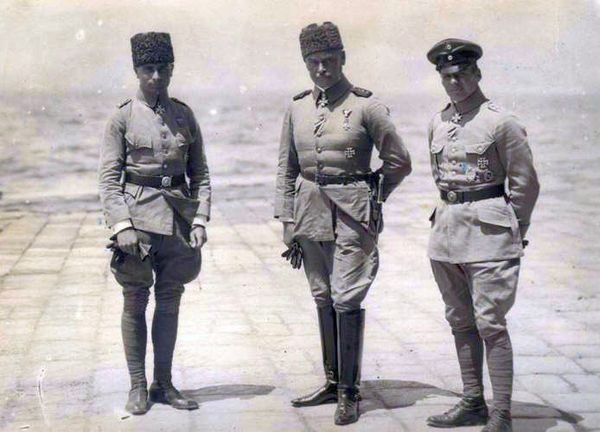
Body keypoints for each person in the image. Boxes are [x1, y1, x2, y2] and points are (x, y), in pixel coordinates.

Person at [274, 22, 412, 426]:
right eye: (314, 62)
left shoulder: (367, 106)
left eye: (329, 61)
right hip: (309, 214)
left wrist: (374, 195)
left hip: (353, 214)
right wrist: (286, 218)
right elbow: (287, 167)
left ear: (343, 59)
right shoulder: (297, 106)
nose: (322, 69)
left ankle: (350, 394)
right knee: (322, 295)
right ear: (305, 63)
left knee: (346, 296)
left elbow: (399, 161)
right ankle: (333, 382)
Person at [424, 38, 540, 432]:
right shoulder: (438, 122)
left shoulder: (501, 122)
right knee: (460, 320)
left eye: (461, 74)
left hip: (490, 236)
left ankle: (502, 414)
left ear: (476, 74)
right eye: (446, 76)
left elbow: (525, 184)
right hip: (446, 234)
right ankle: (473, 401)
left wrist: (514, 231)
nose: (454, 82)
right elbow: (441, 179)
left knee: (490, 322)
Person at [98, 32, 211, 415]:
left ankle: (164, 383)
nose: (156, 76)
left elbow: (202, 175)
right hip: (138, 226)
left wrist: (199, 219)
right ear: (136, 70)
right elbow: (109, 180)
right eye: (148, 69)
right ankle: (137, 387)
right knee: (135, 299)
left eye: (163, 68)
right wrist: (122, 226)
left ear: (172, 69)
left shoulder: (184, 114)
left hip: (178, 223)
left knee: (169, 300)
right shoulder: (122, 117)